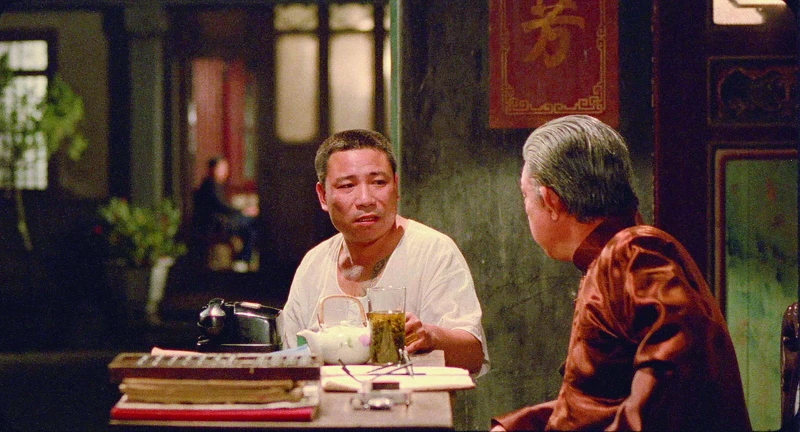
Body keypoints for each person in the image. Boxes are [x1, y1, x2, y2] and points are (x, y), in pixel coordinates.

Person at [491, 115, 751, 431]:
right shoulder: (615, 256)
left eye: (525, 196)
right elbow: (596, 405)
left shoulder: (633, 252)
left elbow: (672, 384)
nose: (526, 209)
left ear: (551, 200)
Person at [279, 129, 489, 375]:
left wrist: (432, 336)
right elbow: (290, 354)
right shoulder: (314, 263)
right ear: (323, 196)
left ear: (396, 187)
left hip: (412, 398)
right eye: (347, 185)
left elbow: (474, 355)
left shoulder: (433, 251)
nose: (365, 199)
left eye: (379, 182)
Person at [193, 156, 259, 269]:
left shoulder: (216, 185)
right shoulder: (210, 185)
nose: (225, 171)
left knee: (251, 225)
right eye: (222, 168)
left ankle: (244, 258)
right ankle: (243, 259)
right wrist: (243, 211)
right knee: (249, 225)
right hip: (216, 224)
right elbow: (221, 206)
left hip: (221, 221)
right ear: (214, 169)